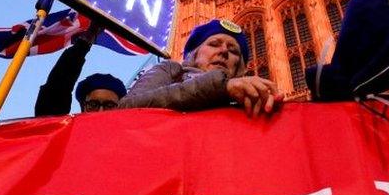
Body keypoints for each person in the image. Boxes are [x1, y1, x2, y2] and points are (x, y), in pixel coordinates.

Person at [120, 19, 283, 116]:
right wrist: (221, 87)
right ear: (194, 53)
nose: (224, 51)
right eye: (214, 44)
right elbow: (126, 108)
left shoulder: (246, 100)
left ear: (240, 68)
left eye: (233, 50)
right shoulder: (170, 70)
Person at [34, 25, 126, 115]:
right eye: (93, 105)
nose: (100, 112)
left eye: (109, 106)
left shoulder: (131, 130)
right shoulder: (68, 129)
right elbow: (56, 90)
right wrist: (84, 43)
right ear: (83, 107)